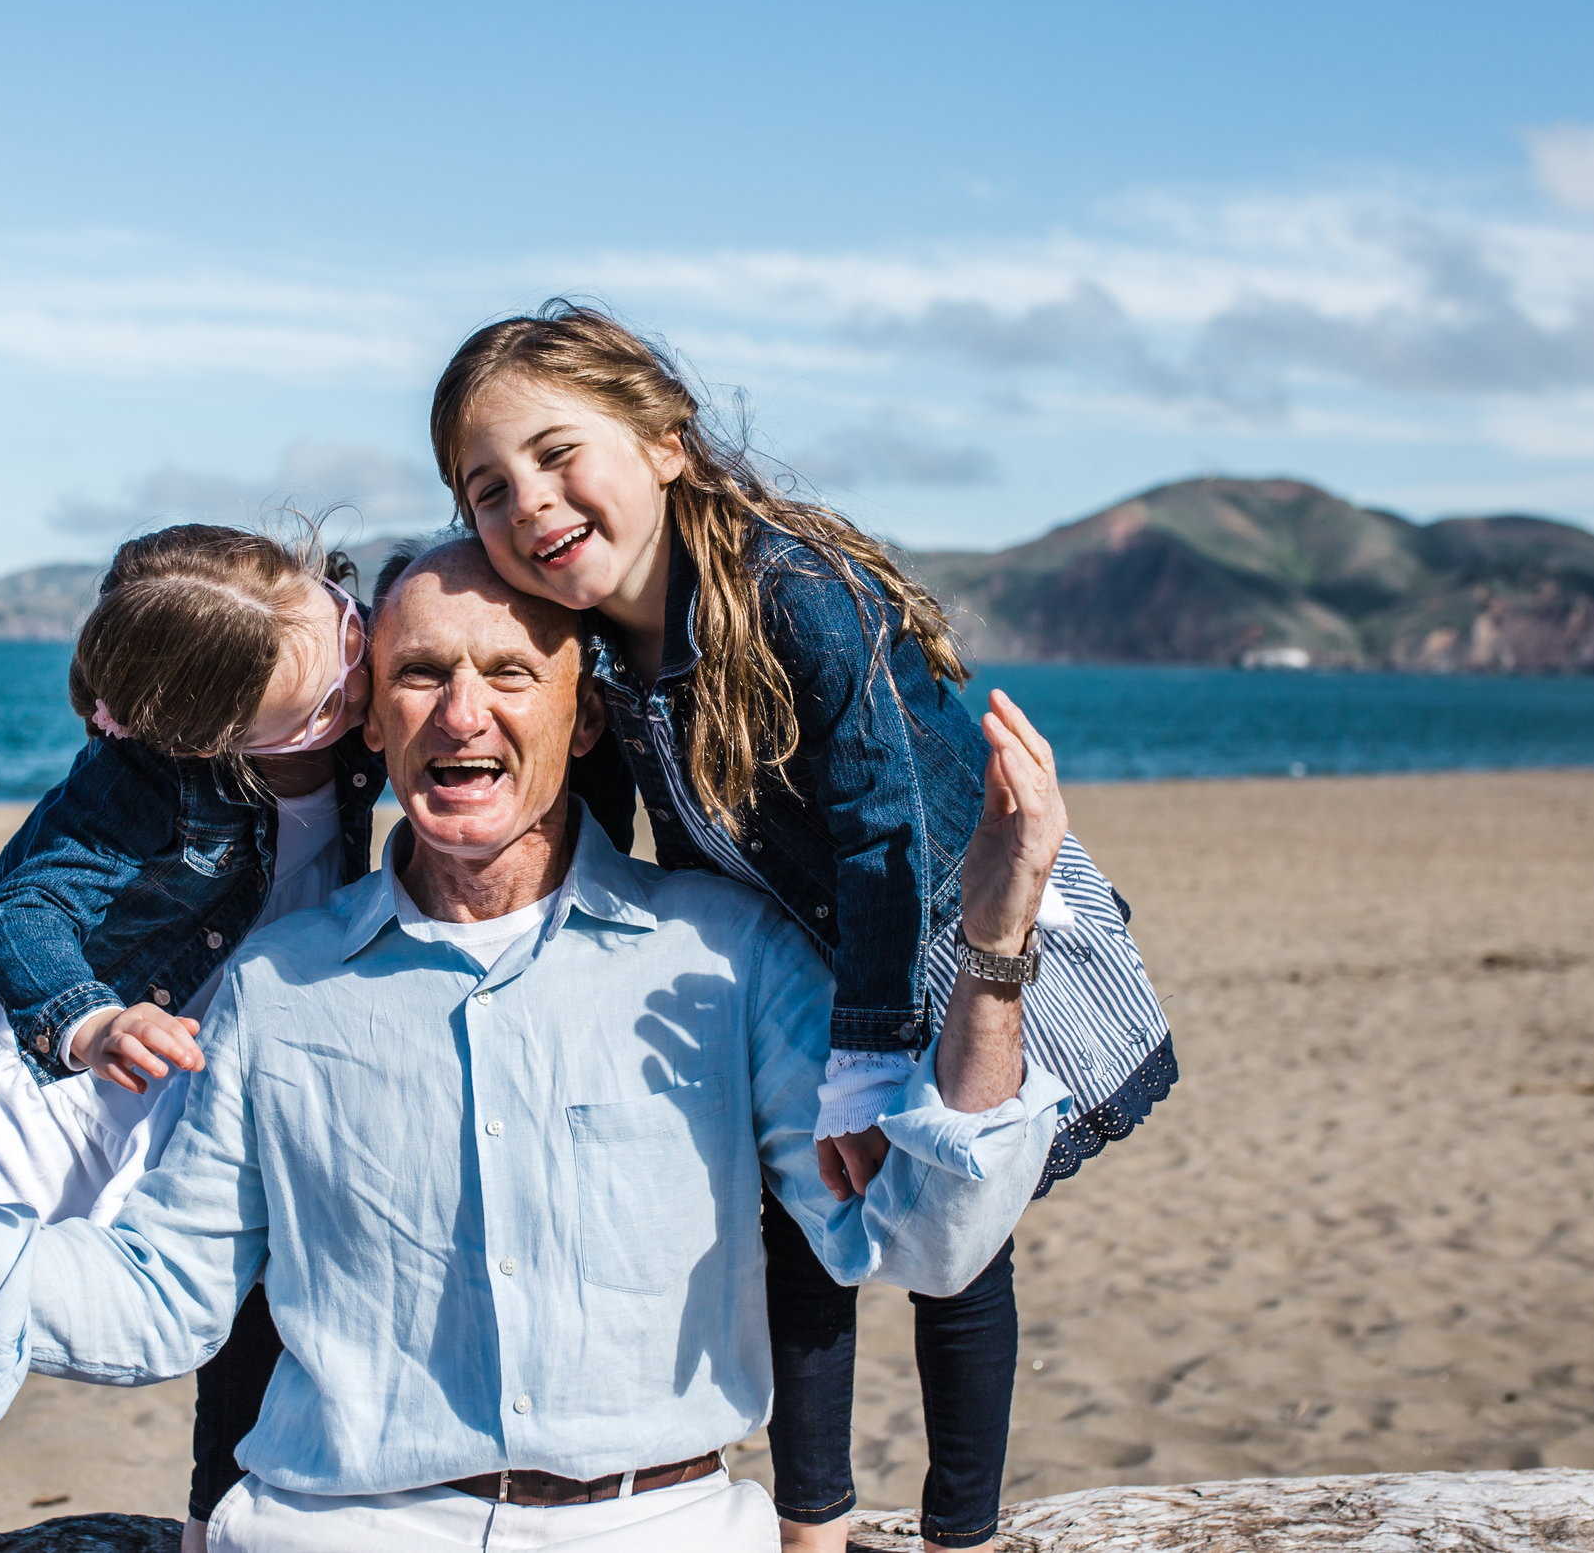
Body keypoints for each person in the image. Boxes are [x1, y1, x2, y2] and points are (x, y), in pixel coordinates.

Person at [0, 539, 1075, 1552]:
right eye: (418, 674)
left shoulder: (729, 958)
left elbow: (927, 1237)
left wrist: (996, 942)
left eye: (510, 671)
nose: (464, 714)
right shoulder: (272, 992)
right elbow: (160, 1298)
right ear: (368, 724)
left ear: (587, 711)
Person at [429, 301, 1175, 1551]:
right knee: (794, 1223)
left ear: (665, 439)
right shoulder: (604, 652)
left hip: (936, 923)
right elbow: (603, 831)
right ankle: (811, 1524)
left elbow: (885, 830)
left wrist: (870, 1058)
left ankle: (959, 1529)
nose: (533, 503)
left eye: (561, 454)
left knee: (960, 1226)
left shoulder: (793, 596)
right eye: (489, 489)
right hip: (801, 952)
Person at [0, 523, 384, 1553]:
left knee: (252, 1267)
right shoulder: (142, 778)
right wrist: (90, 1021)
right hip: (81, 1020)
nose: (359, 681)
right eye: (326, 703)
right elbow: (23, 909)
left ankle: (211, 1525)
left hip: (224, 1020)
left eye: (344, 633)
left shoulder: (349, 646)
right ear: (215, 738)